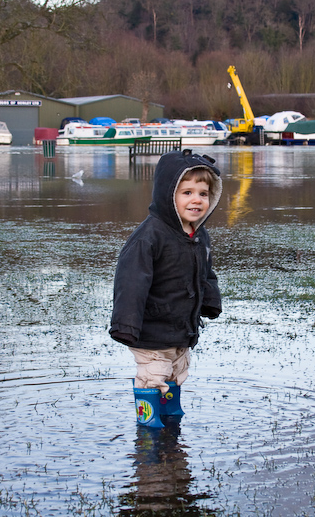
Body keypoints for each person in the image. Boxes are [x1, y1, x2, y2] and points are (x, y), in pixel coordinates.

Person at [110, 149, 223, 428]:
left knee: (176, 372)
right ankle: (148, 432)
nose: (196, 200)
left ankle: (171, 419)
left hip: (180, 327)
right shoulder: (150, 236)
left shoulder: (199, 234)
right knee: (153, 376)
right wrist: (126, 325)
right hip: (151, 330)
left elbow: (205, 272)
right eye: (187, 193)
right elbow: (131, 282)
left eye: (203, 193)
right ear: (168, 195)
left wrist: (210, 301)